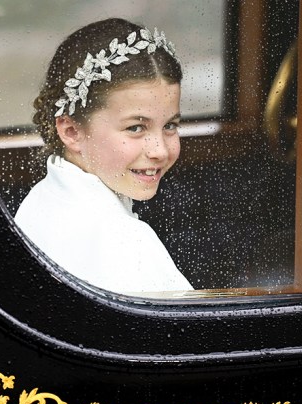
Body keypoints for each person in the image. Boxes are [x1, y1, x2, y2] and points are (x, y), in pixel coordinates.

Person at [14, 18, 193, 294]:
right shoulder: (124, 243)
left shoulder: (41, 201)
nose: (159, 150)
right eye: (135, 127)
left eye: (170, 125)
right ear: (71, 131)